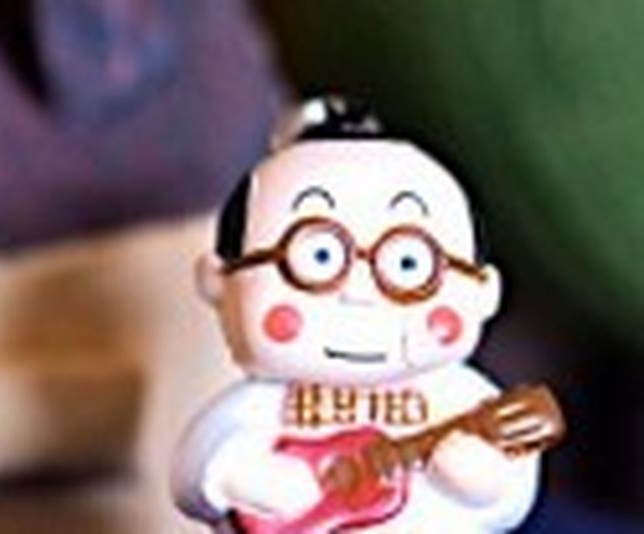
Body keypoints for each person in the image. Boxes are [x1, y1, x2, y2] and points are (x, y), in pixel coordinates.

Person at [172, 96, 544, 533]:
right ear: (218, 281)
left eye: (408, 264)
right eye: (320, 258)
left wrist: (478, 481)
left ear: (484, 291)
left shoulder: (461, 400)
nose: (359, 293)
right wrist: (237, 475)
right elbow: (192, 474)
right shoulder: (259, 406)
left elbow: (513, 493)